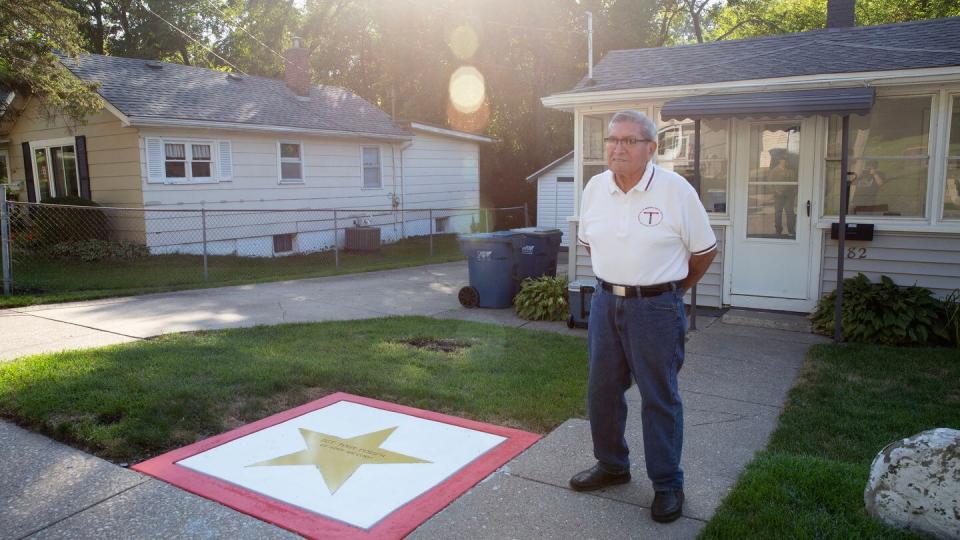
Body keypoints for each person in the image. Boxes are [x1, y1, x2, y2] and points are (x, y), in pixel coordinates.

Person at [571, 111, 717, 524]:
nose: (618, 148)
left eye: (629, 141)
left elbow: (704, 252)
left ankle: (668, 485)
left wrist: (667, 291)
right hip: (604, 302)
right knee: (602, 391)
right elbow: (590, 245)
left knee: (659, 397)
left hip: (655, 308)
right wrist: (616, 281)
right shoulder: (595, 188)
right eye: (612, 140)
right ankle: (612, 466)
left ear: (651, 148)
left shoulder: (675, 191)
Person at [768, 153, 797, 236]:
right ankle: (778, 231)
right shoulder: (774, 171)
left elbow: (795, 184)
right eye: (783, 160)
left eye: (786, 160)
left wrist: (794, 193)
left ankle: (791, 230)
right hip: (778, 196)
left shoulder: (791, 171)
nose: (784, 161)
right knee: (778, 213)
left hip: (789, 196)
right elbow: (770, 184)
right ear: (779, 161)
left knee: (790, 212)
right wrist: (775, 191)